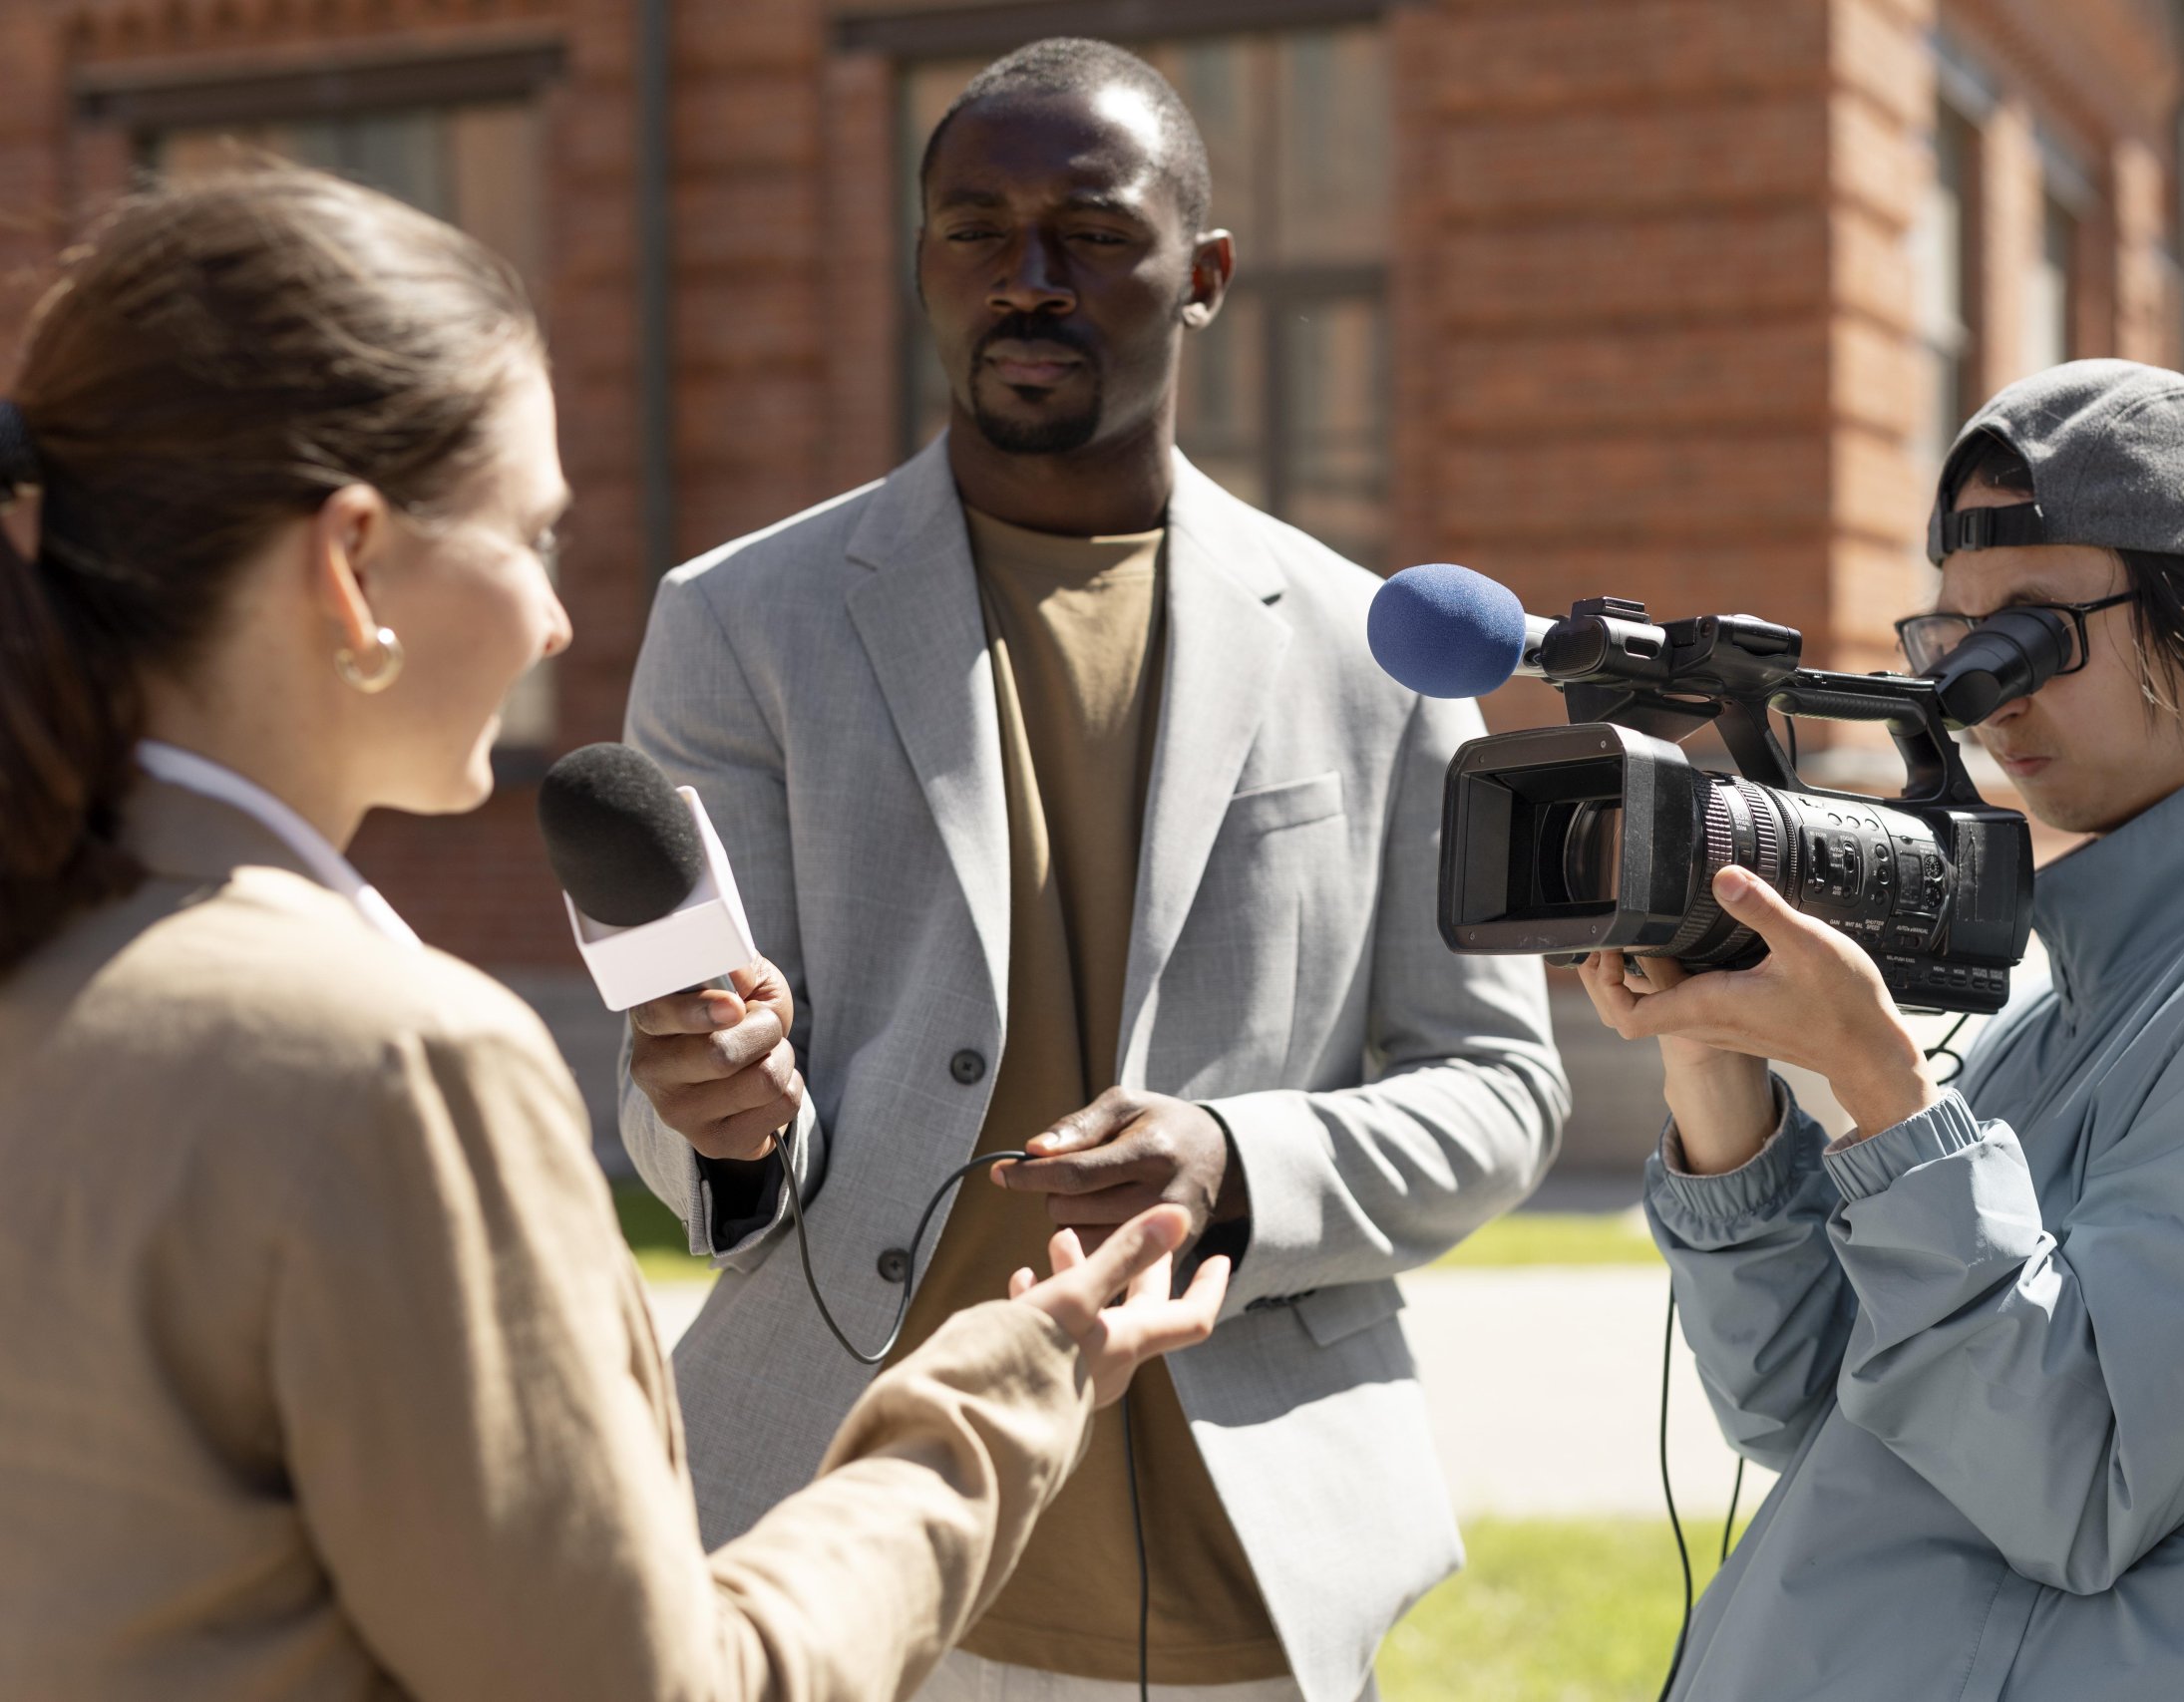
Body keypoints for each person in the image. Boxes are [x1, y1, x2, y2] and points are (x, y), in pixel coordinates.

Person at [0, 166, 1230, 1702]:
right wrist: (1008, 1389)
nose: (558, 624)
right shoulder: (392, 1061)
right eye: (535, 540)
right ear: (353, 565)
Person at [617, 38, 1566, 1702]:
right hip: (841, 1539)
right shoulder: (738, 624)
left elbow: (1502, 1089)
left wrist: (1237, 1154)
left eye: (1089, 232)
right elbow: (693, 1082)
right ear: (923, 267)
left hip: (1241, 1564)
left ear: (1202, 277)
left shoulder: (1381, 654)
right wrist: (717, 1111)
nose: (1026, 280)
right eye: (974, 232)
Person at [1579, 359, 2184, 1700]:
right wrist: (1711, 1053)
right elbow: (1802, 1404)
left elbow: (2071, 1477)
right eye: (1953, 642)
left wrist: (1885, 1093)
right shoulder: (2072, 991)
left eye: (2034, 634)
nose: (1981, 696)